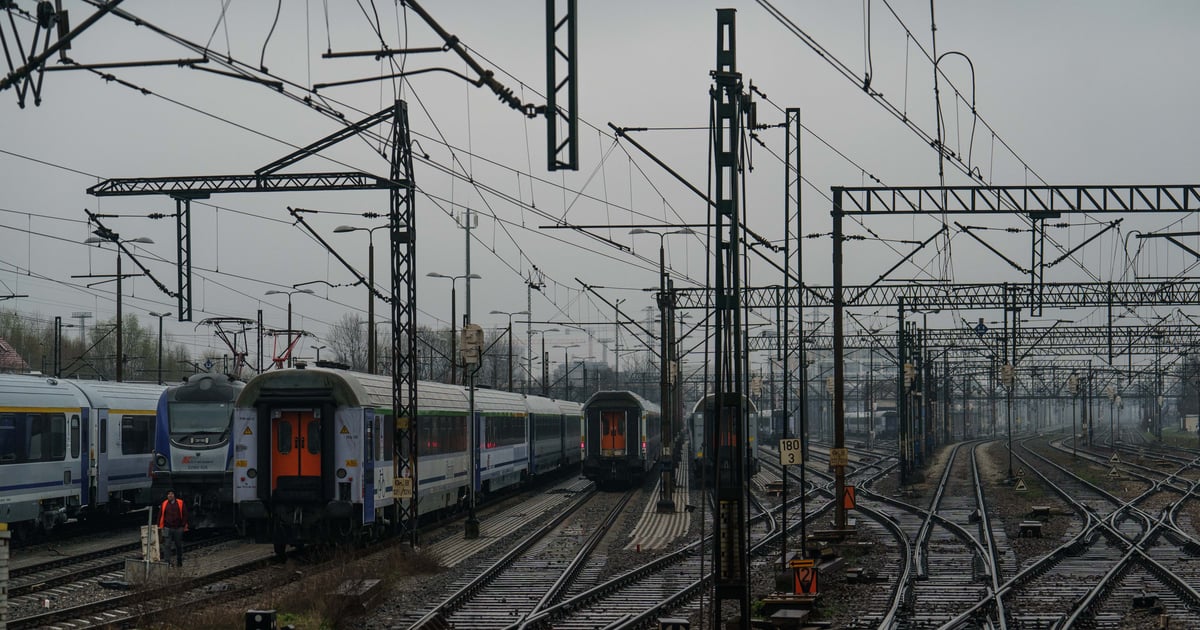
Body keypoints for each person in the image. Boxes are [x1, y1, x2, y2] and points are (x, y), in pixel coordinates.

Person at [158, 489, 189, 567]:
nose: (170, 495)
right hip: (167, 527)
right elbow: (160, 515)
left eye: (171, 494)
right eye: (169, 494)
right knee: (167, 545)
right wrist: (159, 525)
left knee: (178, 545)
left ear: (174, 495)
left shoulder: (180, 503)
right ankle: (167, 562)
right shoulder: (164, 504)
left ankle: (179, 560)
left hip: (178, 528)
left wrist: (183, 525)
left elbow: (185, 514)